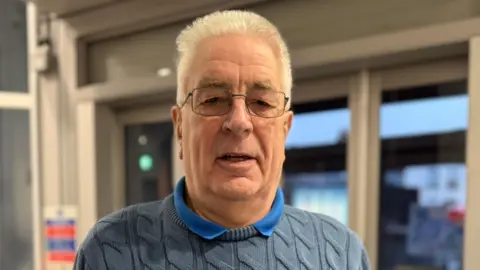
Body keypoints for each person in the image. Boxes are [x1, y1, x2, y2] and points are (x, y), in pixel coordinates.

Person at [74, 10, 370, 270]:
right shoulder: (110, 250)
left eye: (262, 103)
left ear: (285, 129)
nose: (239, 122)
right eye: (214, 99)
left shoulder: (340, 254)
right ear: (179, 127)